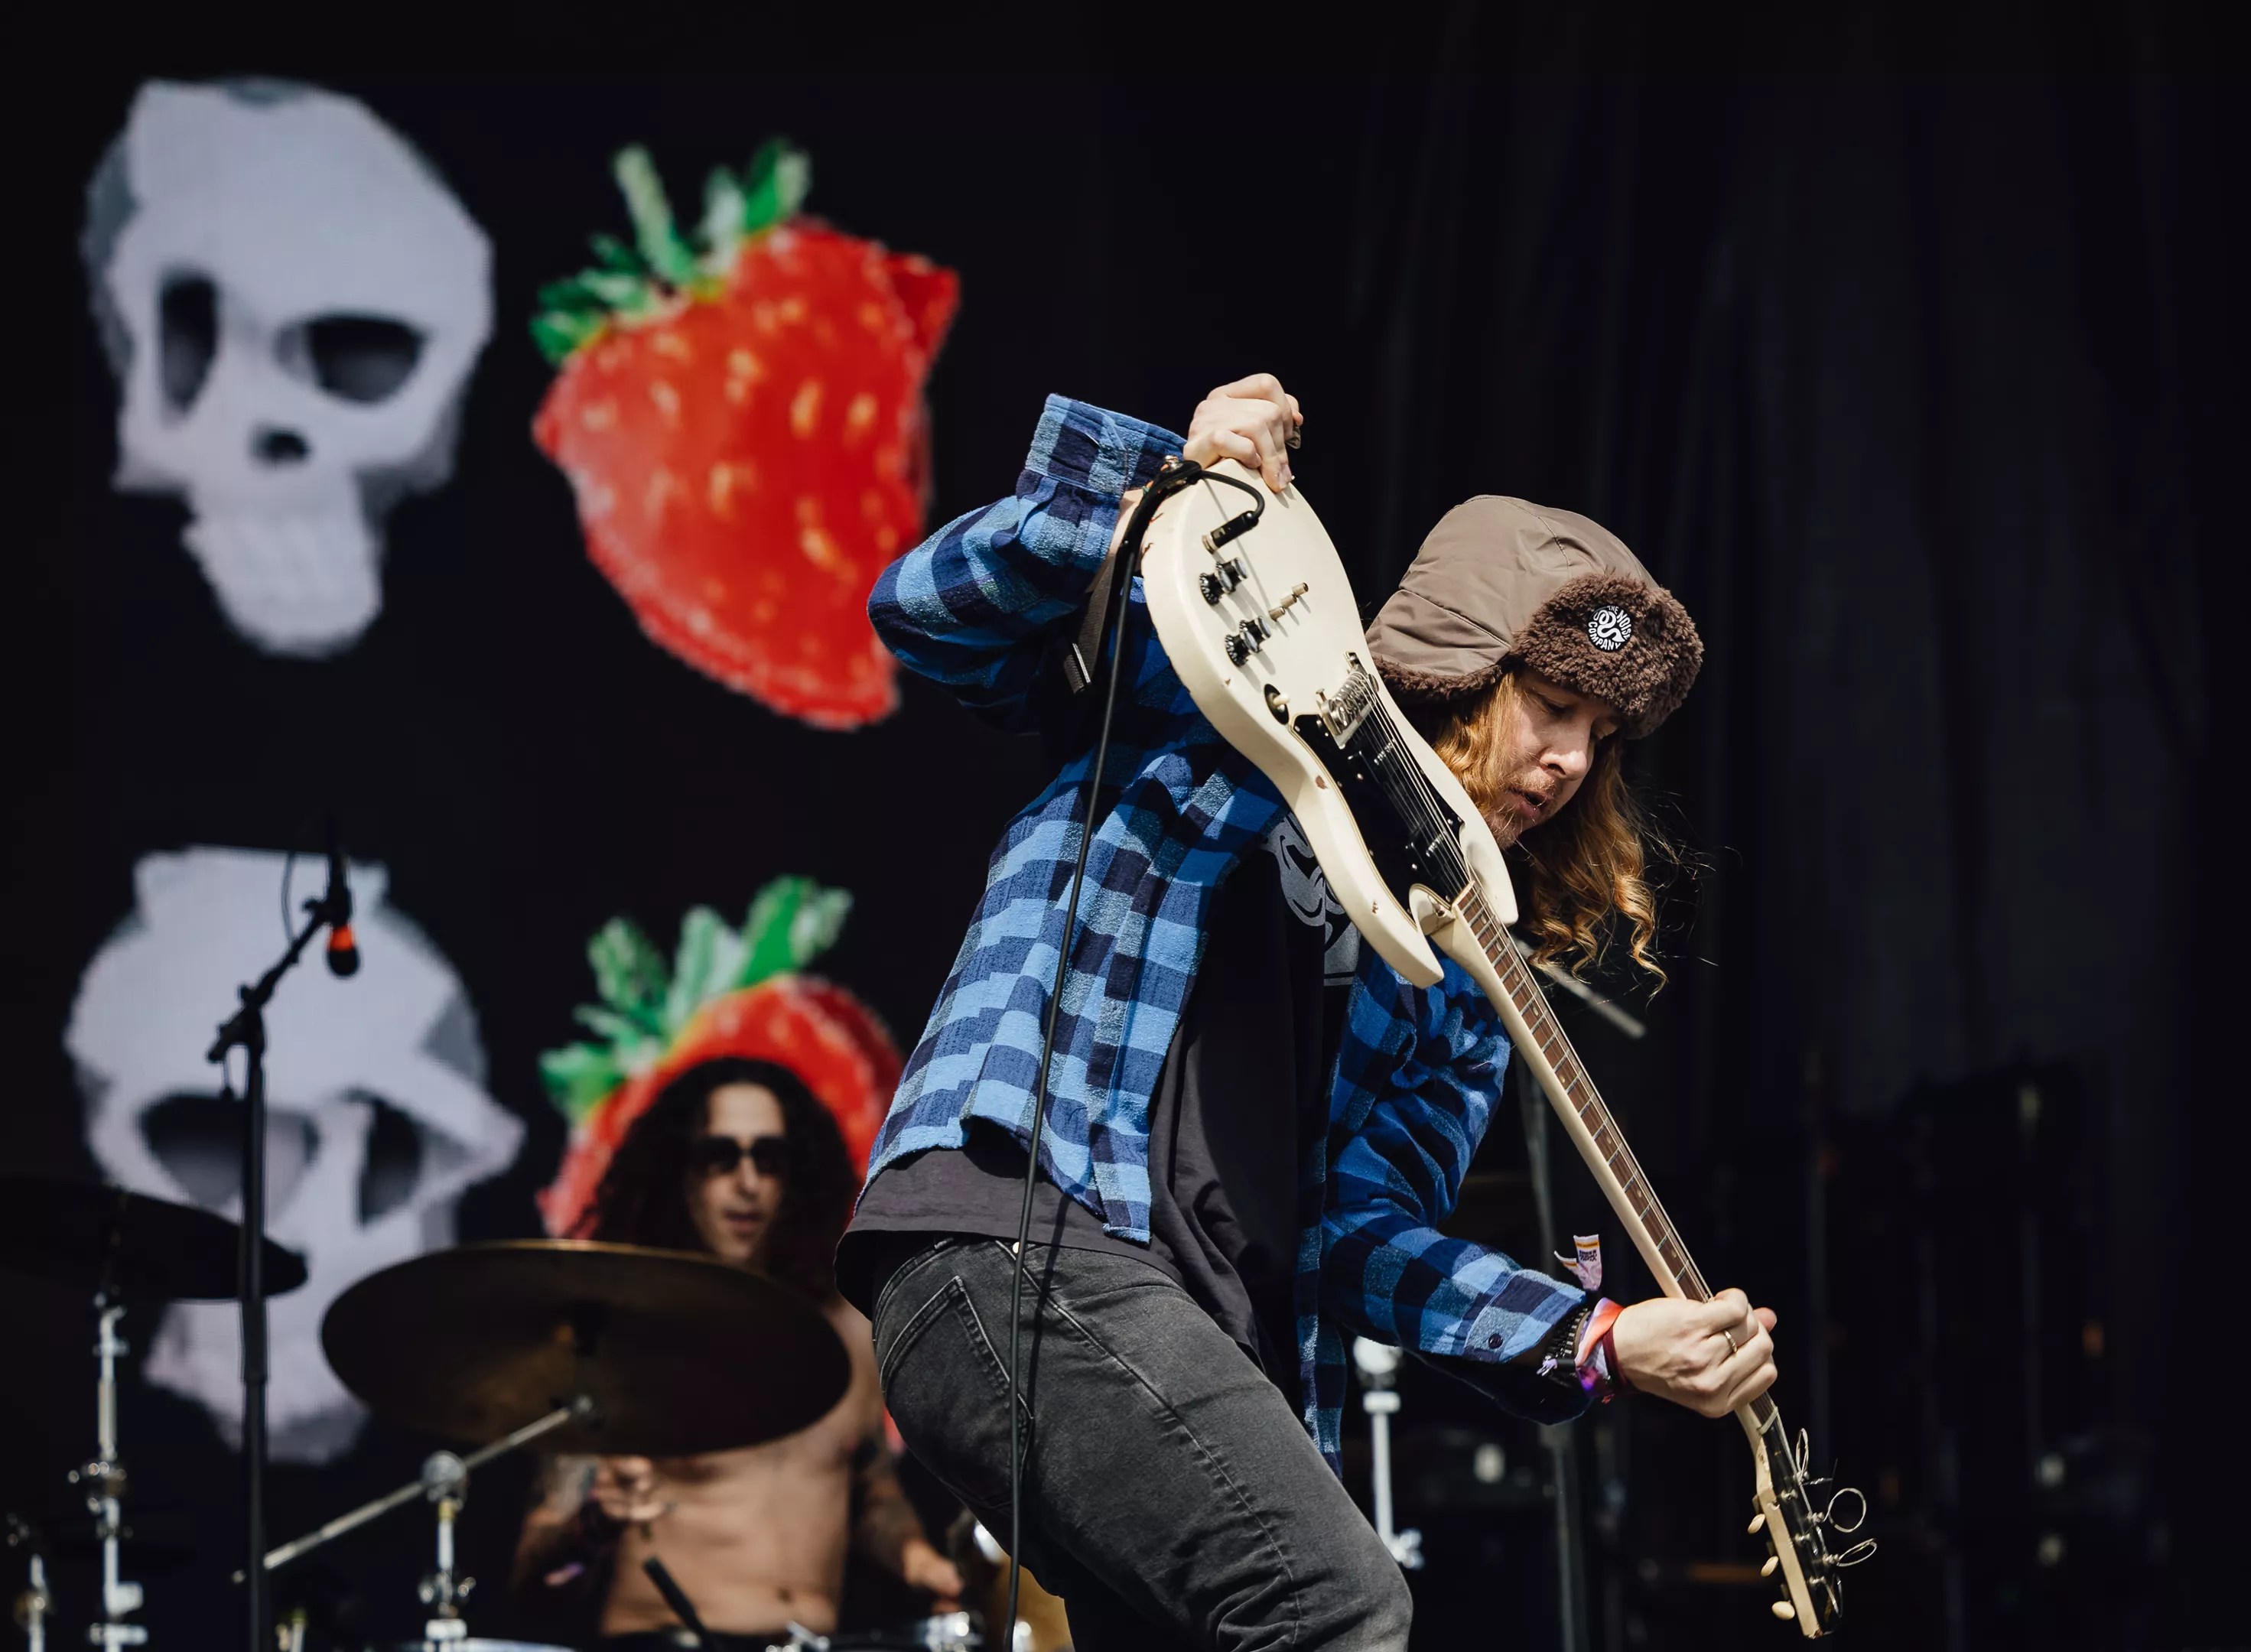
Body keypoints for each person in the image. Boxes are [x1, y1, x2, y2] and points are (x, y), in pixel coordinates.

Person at [834, 376, 1779, 1652]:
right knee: (1334, 1603)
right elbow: (929, 612)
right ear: (1460, 667)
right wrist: (1158, 495)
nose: (1568, 760)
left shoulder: (1461, 977)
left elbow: (1356, 1237)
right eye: (1550, 705)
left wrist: (1596, 1337)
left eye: (1600, 736)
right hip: (1022, 1234)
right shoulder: (1222, 704)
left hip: (1197, 1337)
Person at [513, 1055, 963, 1650]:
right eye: (720, 1157)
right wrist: (593, 1524)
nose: (747, 1182)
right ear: (680, 1173)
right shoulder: (627, 1339)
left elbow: (871, 1491)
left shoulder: (846, 1330)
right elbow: (532, 1575)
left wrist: (921, 1561)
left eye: (768, 1159)